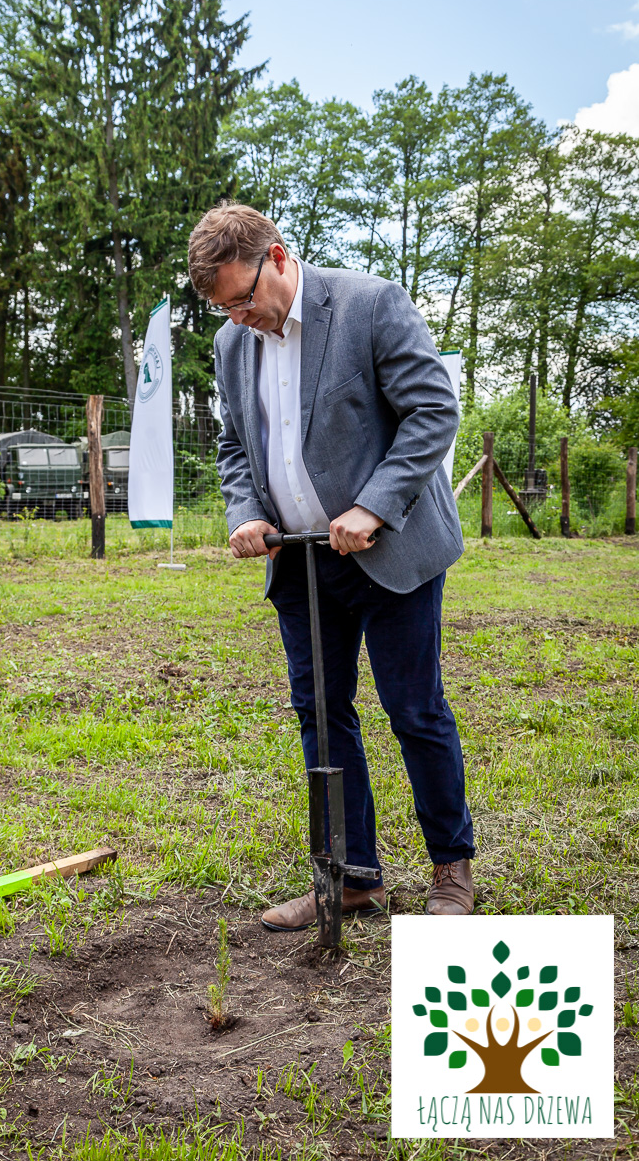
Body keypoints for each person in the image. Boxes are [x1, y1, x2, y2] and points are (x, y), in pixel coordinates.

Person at [187, 201, 475, 928]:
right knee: (321, 715)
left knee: (413, 711)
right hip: (300, 562)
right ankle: (353, 877)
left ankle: (451, 872)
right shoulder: (231, 343)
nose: (239, 318)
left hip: (389, 549)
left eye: (243, 299)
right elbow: (233, 446)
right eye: (223, 309)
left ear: (277, 258)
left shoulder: (367, 304)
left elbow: (432, 412)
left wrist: (373, 506)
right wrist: (245, 513)